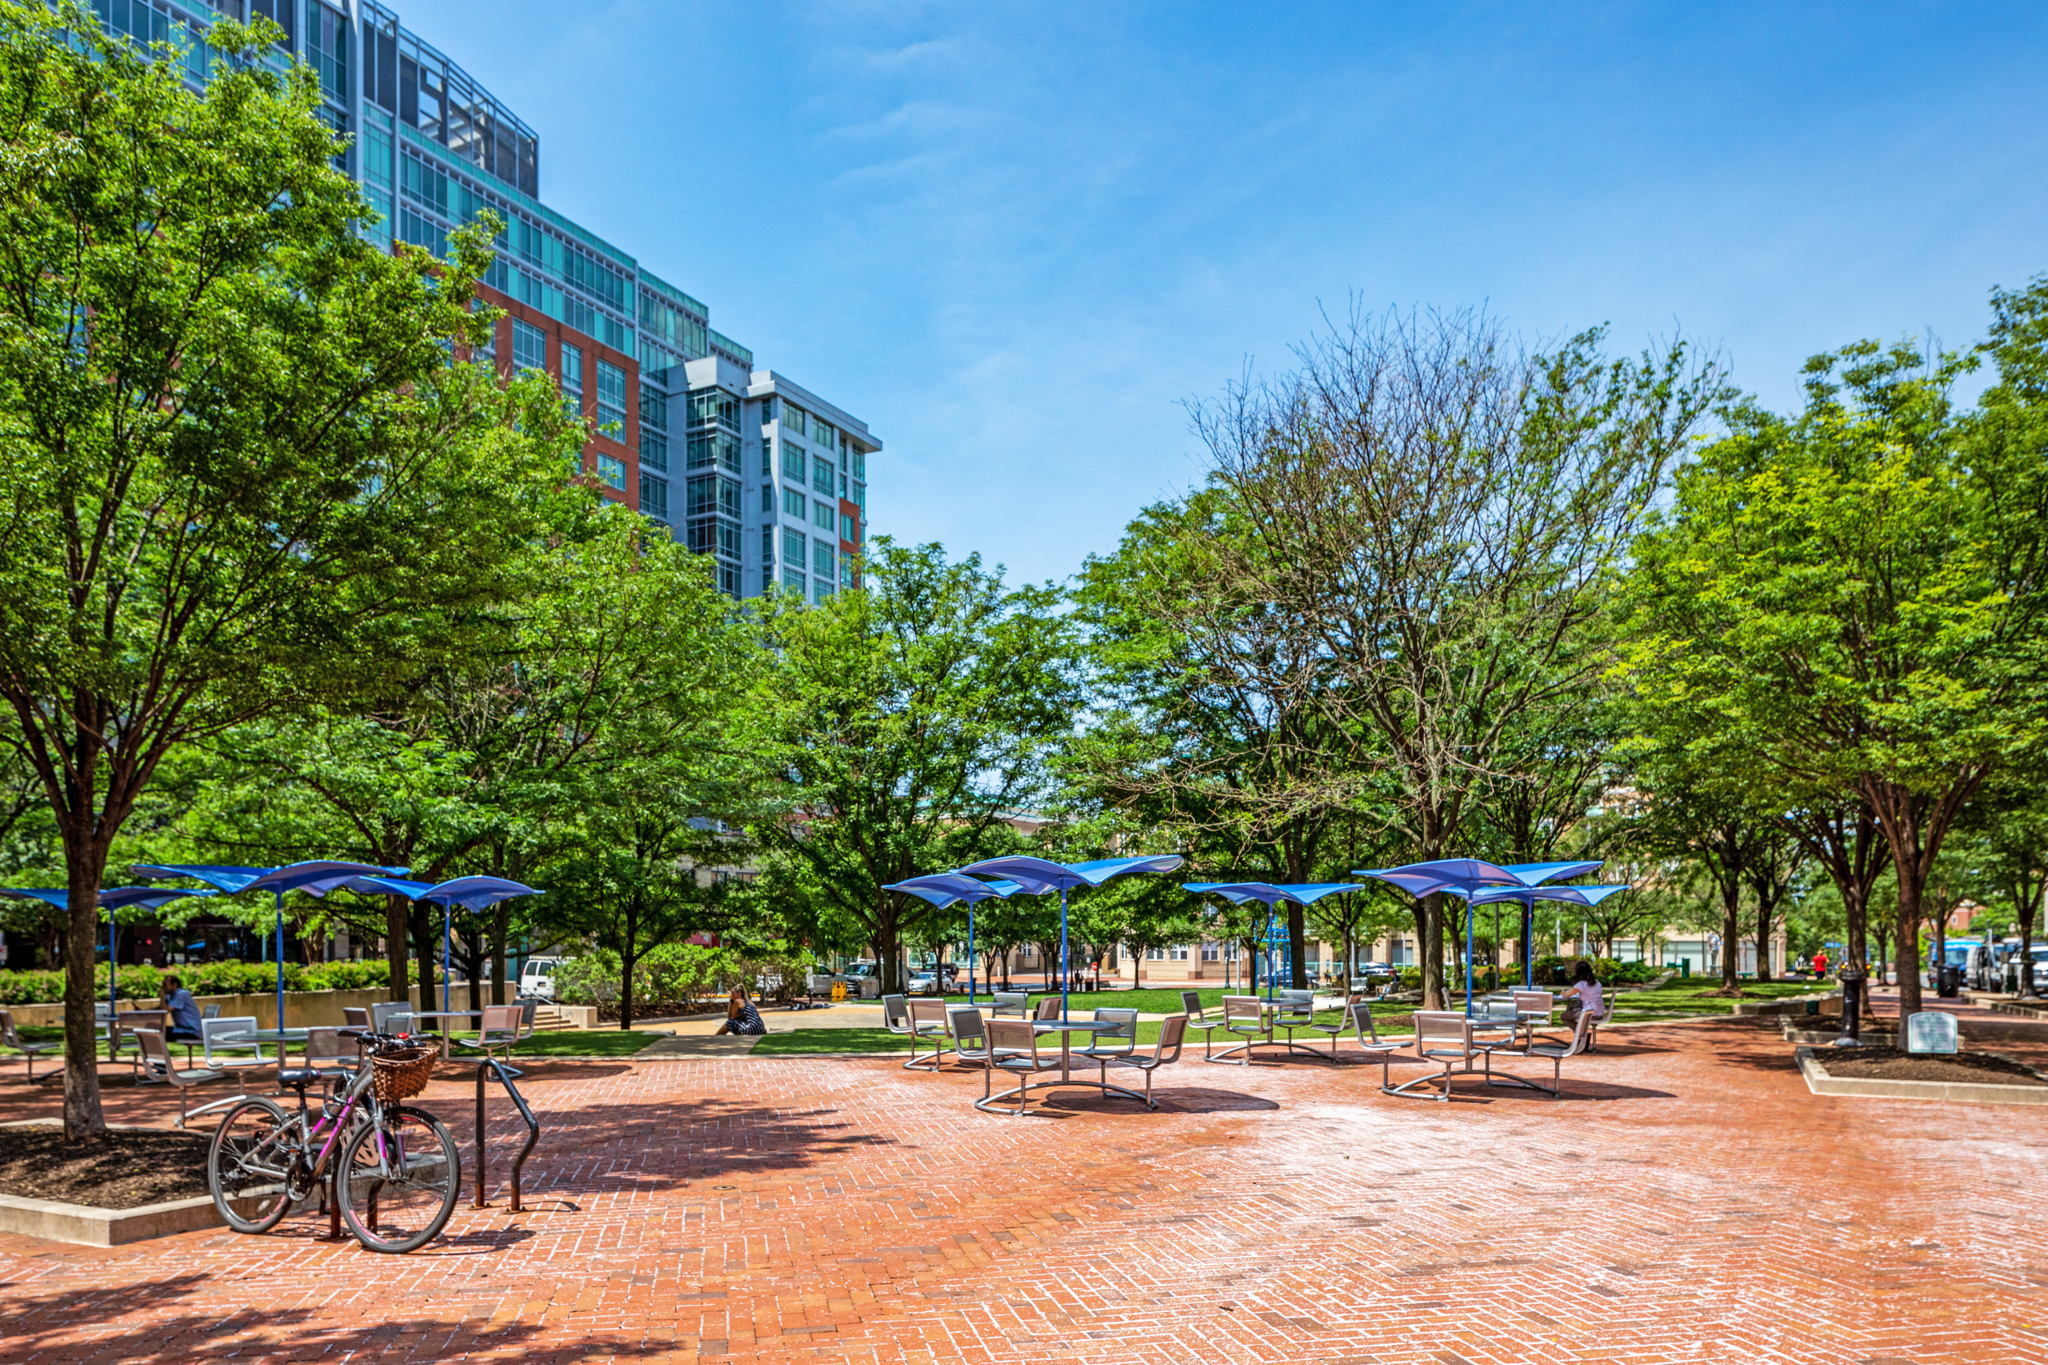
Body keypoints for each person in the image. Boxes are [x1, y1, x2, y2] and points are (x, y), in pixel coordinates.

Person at [1560, 960, 1604, 1036]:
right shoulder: (1597, 983)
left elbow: (1566, 995)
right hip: (1599, 1013)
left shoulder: (1581, 985)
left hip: (1588, 1014)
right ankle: (1581, 1033)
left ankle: (1580, 1033)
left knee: (1564, 1016)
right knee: (1573, 1010)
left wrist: (1562, 992)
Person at [161, 974, 202, 1042]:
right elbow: (161, 1008)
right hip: (181, 1029)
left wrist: (162, 996)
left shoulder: (181, 994)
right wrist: (147, 1010)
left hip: (191, 1032)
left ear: (174, 985)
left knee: (158, 1032)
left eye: (165, 985)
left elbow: (166, 1010)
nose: (163, 987)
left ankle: (157, 1052)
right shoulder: (172, 995)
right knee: (157, 1030)